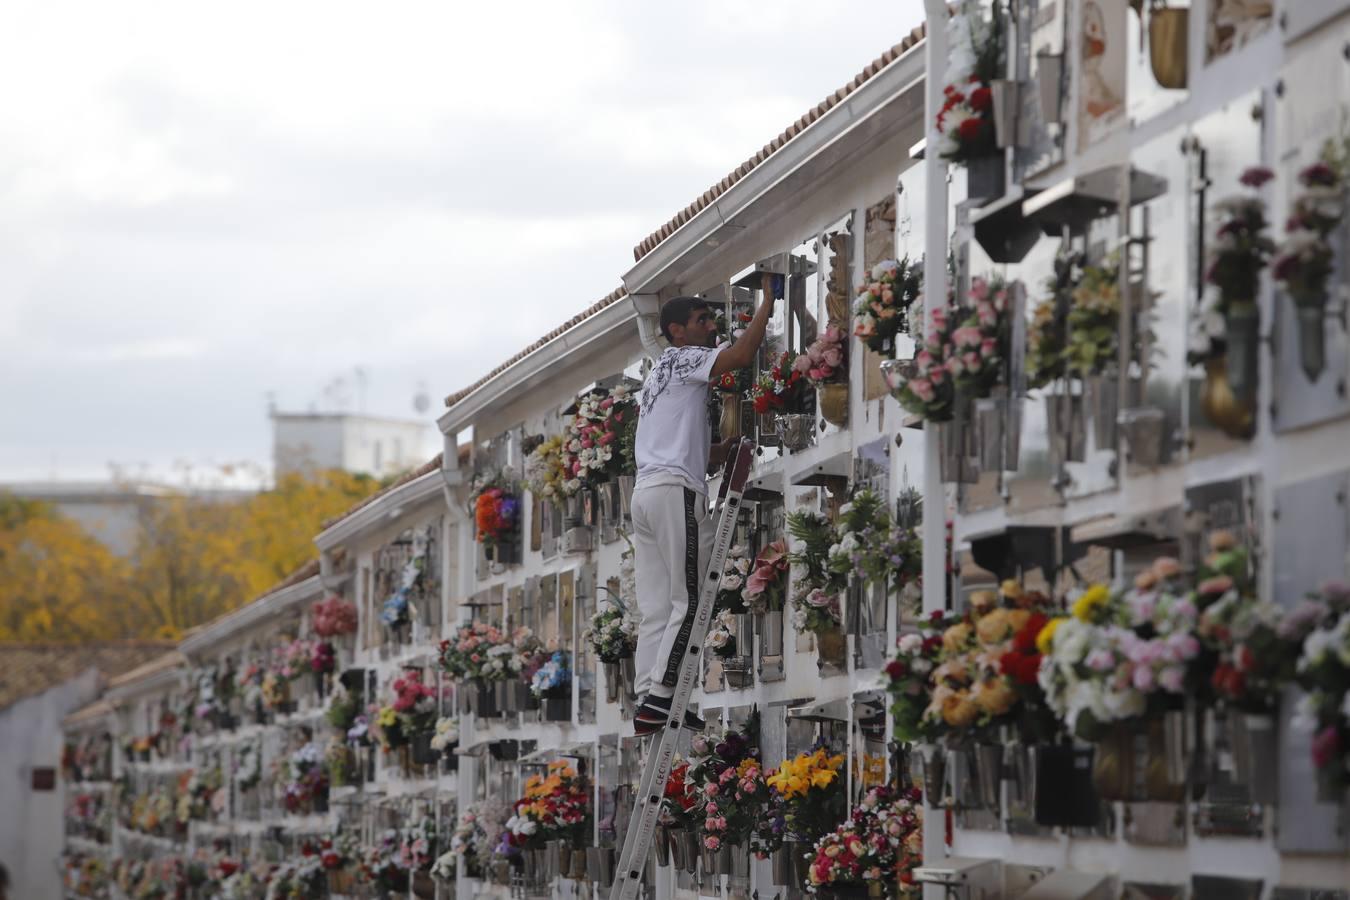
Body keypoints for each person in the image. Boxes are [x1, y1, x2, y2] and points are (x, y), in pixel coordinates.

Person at [630, 274, 777, 735]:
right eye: (701, 320)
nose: (710, 327)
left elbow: (672, 440)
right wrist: (768, 302)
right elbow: (740, 356)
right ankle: (662, 696)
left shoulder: (657, 374)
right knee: (690, 600)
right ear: (676, 330)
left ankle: (646, 693)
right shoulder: (685, 358)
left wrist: (717, 451)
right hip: (675, 491)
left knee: (657, 605)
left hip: (646, 492)